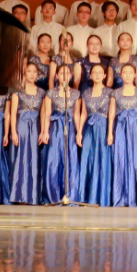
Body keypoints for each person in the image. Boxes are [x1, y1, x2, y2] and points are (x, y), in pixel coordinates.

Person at [41, 63, 80, 205]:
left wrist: (79, 132)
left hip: (70, 127)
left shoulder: (76, 93)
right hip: (56, 127)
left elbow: (76, 114)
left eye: (67, 73)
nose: (64, 76)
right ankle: (53, 195)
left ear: (71, 76)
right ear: (56, 76)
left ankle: (70, 194)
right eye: (61, 73)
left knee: (70, 159)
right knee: (54, 159)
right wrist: (45, 131)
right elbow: (47, 113)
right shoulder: (50, 93)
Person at [73, 64, 112, 206]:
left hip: (103, 127)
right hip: (89, 127)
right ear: (90, 75)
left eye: (100, 72)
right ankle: (86, 196)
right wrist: (79, 132)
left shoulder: (110, 92)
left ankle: (101, 197)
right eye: (94, 72)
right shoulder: (86, 93)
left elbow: (111, 114)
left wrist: (110, 132)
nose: (97, 75)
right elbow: (83, 113)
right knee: (87, 158)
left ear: (105, 75)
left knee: (102, 159)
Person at [8, 62, 46, 205]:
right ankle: (18, 195)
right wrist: (13, 132)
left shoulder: (42, 92)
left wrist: (43, 131)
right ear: (25, 73)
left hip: (35, 127)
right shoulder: (18, 91)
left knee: (34, 159)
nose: (32, 74)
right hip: (21, 126)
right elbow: (13, 112)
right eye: (29, 71)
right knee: (20, 159)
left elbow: (43, 114)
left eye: (34, 72)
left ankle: (32, 196)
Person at [109, 62, 137, 207]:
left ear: (135, 75)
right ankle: (120, 197)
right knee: (120, 159)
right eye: (125, 72)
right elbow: (112, 113)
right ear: (120, 75)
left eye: (131, 72)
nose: (128, 75)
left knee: (135, 160)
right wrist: (110, 132)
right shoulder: (115, 93)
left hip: (135, 128)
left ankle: (133, 197)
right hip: (120, 128)